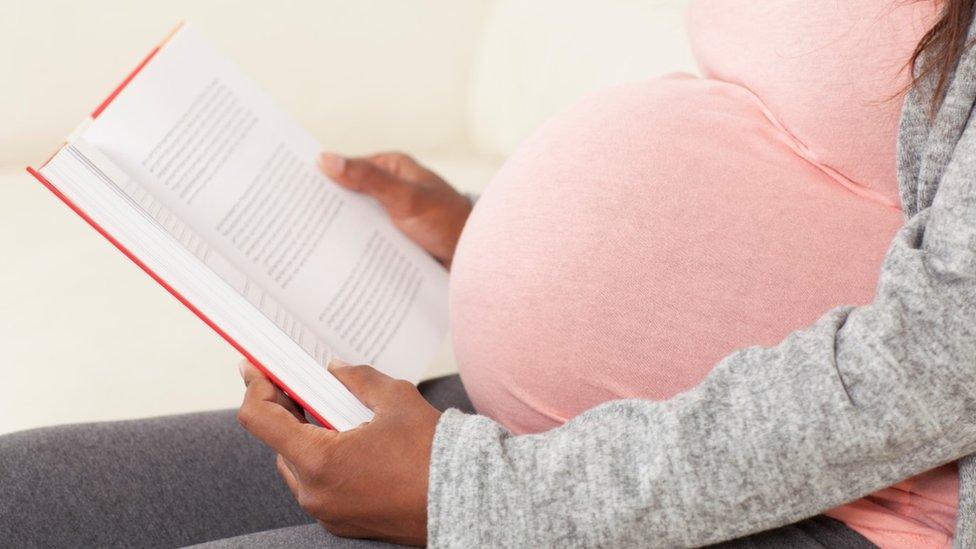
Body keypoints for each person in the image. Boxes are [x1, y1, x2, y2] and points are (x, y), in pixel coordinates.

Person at [3, 0, 976, 547]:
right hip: (609, 427)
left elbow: (940, 368)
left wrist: (473, 497)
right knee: (23, 493)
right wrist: (485, 236)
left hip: (849, 508)